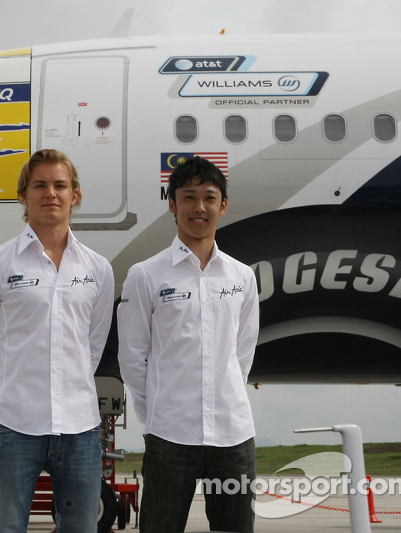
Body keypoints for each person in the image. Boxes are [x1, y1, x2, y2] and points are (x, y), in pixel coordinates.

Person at [0, 148, 115, 533]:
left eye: (60, 185)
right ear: (24, 195)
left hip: (80, 428)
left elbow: (92, 344)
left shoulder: (98, 268)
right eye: (40, 185)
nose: (51, 193)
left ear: (74, 195)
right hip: (14, 426)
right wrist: (3, 396)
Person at [118, 156, 259, 533]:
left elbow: (242, 352)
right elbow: (132, 357)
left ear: (223, 205)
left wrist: (223, 394)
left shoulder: (242, 277)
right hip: (170, 436)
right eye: (189, 197)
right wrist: (158, 414)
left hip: (233, 435)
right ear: (172, 204)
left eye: (210, 198)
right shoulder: (145, 275)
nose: (200, 207)